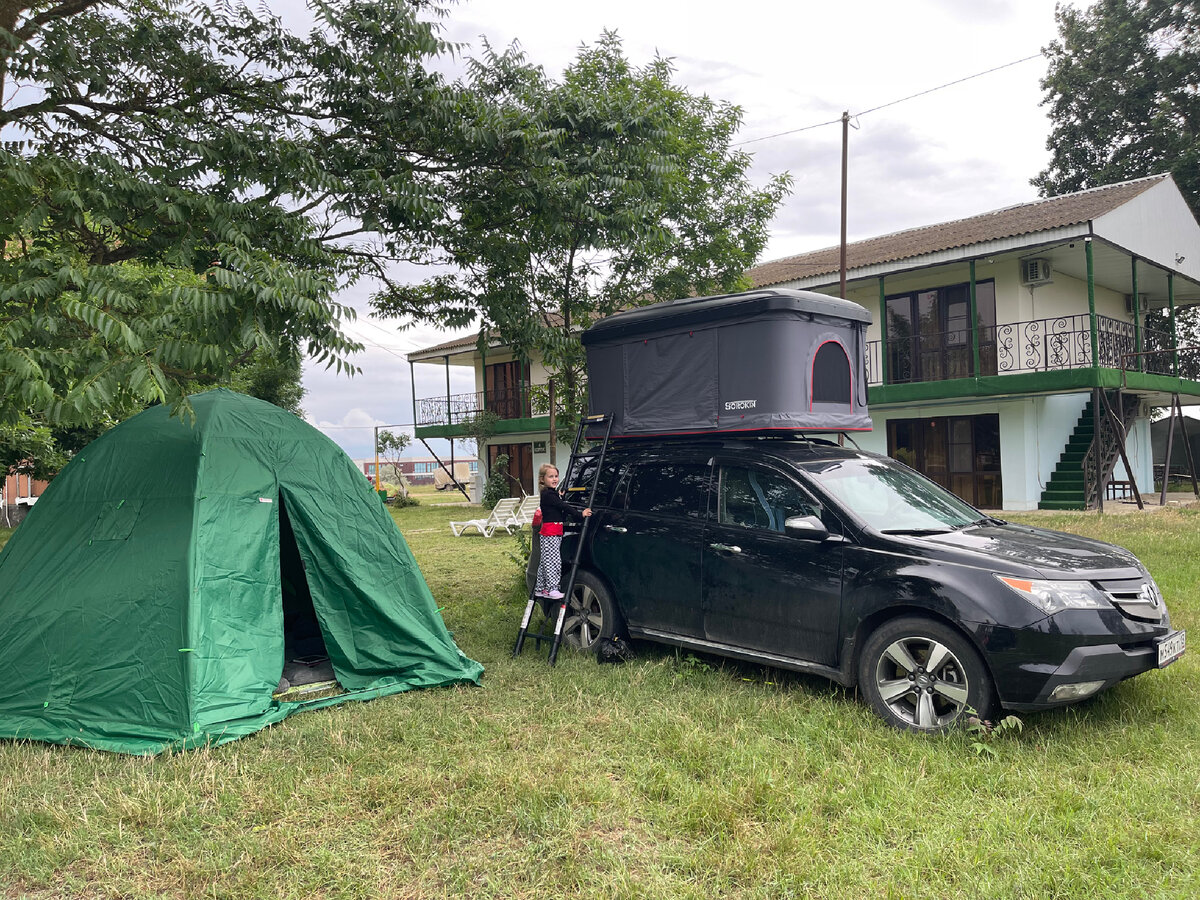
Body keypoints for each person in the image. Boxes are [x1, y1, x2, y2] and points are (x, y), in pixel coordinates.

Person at [535, 463, 592, 600]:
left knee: (546, 560)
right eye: (550, 477)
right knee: (553, 561)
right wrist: (580, 514)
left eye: (556, 476)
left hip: (554, 532)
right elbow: (563, 507)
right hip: (550, 533)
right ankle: (552, 588)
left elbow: (558, 505)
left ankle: (540, 588)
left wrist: (560, 495)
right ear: (542, 479)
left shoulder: (551, 494)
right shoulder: (548, 495)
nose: (555, 479)